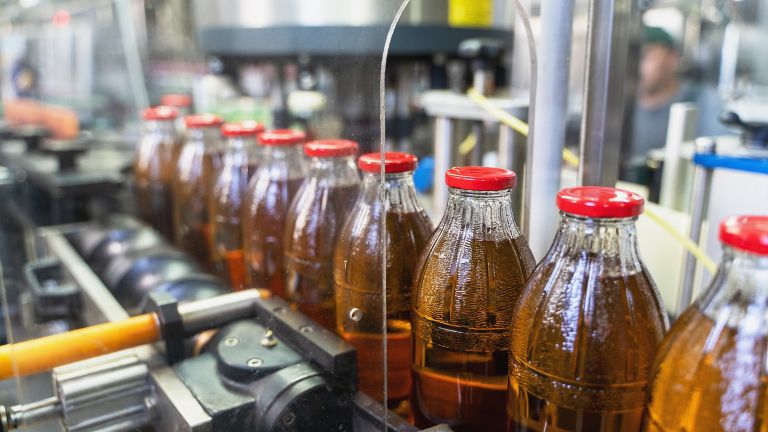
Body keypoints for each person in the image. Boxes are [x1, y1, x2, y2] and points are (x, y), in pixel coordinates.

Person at [625, 26, 730, 171]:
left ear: (672, 59)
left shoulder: (704, 101)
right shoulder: (618, 105)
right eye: (629, 57)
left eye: (645, 56)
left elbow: (723, 157)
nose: (634, 66)